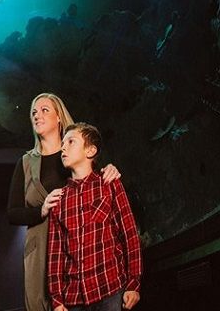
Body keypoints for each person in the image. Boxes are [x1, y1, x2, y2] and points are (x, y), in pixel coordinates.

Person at [7, 93, 120, 311]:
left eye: (44, 110)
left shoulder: (76, 150)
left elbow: (97, 183)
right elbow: (12, 213)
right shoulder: (26, 162)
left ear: (59, 117)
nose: (37, 116)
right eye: (33, 112)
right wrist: (41, 210)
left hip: (76, 247)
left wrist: (111, 170)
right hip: (40, 246)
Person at [47, 123, 142, 311]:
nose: (63, 147)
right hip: (74, 299)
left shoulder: (109, 185)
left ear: (90, 150)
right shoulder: (59, 199)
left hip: (110, 290)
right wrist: (56, 300)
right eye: (63, 143)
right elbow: (55, 254)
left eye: (71, 142)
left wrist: (134, 283)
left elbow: (129, 234)